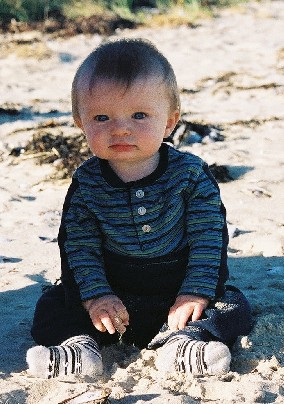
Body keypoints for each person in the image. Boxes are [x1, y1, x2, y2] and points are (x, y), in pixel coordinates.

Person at [26, 38, 252, 379]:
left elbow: (208, 237)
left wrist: (195, 292)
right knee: (53, 304)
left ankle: (185, 345)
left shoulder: (190, 175)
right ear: (80, 122)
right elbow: (78, 245)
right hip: (112, 291)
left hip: (177, 289)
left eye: (139, 115)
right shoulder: (87, 182)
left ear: (169, 121)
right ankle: (78, 349)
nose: (120, 128)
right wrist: (96, 296)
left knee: (231, 305)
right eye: (101, 117)